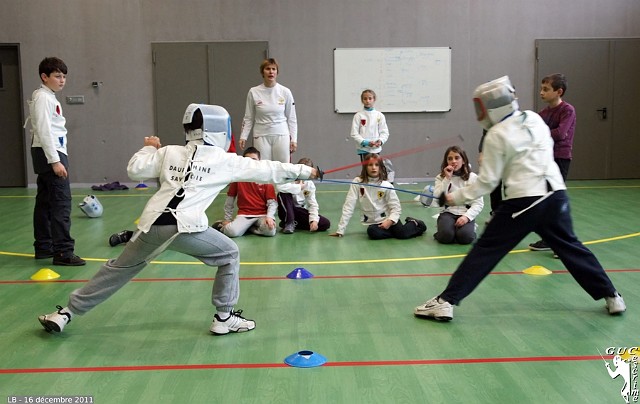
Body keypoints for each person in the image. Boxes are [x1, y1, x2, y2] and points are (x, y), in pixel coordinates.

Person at [38, 104, 319, 335]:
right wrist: (307, 172)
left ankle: (65, 313)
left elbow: (135, 170)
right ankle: (223, 317)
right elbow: (268, 169)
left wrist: (149, 147)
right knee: (230, 254)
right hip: (185, 227)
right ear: (220, 129)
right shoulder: (225, 159)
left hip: (151, 224)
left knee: (116, 270)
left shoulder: (169, 151)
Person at [414, 76, 625, 322]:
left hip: (524, 201)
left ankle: (446, 302)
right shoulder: (534, 118)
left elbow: (486, 182)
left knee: (485, 250)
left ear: (490, 107)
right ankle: (612, 296)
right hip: (556, 196)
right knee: (571, 247)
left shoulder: (496, 134)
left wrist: (451, 198)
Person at [26, 57, 85, 266]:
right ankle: (63, 252)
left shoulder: (47, 97)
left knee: (45, 203)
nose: (62, 80)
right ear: (45, 77)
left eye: (64, 77)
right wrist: (55, 161)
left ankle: (44, 247)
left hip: (47, 153)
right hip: (51, 154)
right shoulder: (43, 97)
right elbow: (44, 130)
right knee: (60, 203)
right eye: (57, 76)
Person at [529, 73, 577, 253]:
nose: (541, 92)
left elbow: (560, 133)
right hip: (546, 160)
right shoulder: (543, 113)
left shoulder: (567, 110)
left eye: (546, 89)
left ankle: (564, 244)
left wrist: (541, 133)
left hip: (561, 158)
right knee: (546, 199)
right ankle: (549, 239)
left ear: (559, 91)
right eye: (541, 89)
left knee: (556, 200)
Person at [329, 153, 426, 240]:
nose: (373, 168)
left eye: (376, 165)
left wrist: (390, 221)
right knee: (372, 232)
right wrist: (340, 230)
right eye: (370, 165)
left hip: (389, 219)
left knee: (402, 234)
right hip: (375, 224)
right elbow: (349, 205)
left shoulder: (386, 185)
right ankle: (395, 233)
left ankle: (415, 223)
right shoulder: (357, 182)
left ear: (381, 167)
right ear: (365, 167)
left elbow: (396, 208)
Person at [239, 58, 297, 163]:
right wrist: (243, 136)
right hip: (261, 135)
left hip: (281, 134)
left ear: (277, 72)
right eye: (268, 69)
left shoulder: (285, 92)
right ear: (262, 72)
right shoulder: (253, 92)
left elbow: (292, 118)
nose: (271, 72)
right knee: (263, 167)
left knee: (283, 167)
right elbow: (248, 117)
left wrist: (294, 139)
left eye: (273, 69)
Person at [213, 147, 279, 238]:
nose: (251, 162)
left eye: (254, 159)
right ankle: (222, 226)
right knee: (232, 232)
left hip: (262, 215)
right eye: (247, 160)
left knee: (270, 231)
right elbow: (229, 200)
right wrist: (227, 219)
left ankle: (248, 228)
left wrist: (270, 217)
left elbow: (272, 203)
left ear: (259, 161)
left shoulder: (265, 179)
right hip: (244, 215)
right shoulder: (237, 178)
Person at [433, 146, 484, 244]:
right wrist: (447, 179)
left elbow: (478, 203)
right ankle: (445, 229)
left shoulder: (473, 178)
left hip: (465, 212)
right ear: (446, 161)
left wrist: (466, 217)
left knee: (465, 237)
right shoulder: (440, 178)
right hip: (448, 212)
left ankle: (468, 229)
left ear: (463, 160)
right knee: (446, 236)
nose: (453, 161)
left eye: (457, 158)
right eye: (450, 159)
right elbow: (438, 199)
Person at [276, 157, 331, 234]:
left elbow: (312, 204)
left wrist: (313, 221)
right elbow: (279, 188)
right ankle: (289, 222)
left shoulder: (310, 185)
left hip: (299, 211)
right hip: (286, 211)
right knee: (283, 193)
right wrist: (298, 187)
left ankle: (293, 223)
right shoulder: (289, 178)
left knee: (325, 223)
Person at [350, 89, 395, 182]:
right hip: (364, 149)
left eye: (370, 98)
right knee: (366, 171)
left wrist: (380, 141)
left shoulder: (379, 115)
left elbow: (384, 132)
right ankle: (366, 187)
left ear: (374, 99)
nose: (367, 101)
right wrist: (365, 142)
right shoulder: (358, 116)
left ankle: (381, 183)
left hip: (376, 149)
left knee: (376, 170)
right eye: (365, 99)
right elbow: (354, 133)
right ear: (362, 100)